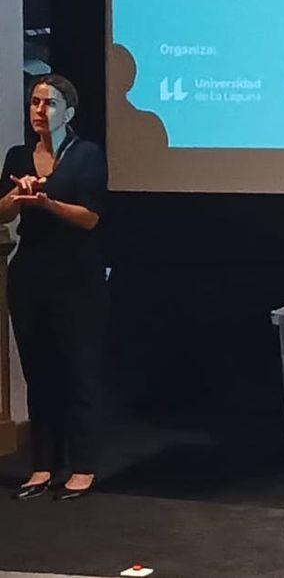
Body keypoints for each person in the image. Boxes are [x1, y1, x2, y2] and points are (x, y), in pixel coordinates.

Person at [0, 75, 108, 501]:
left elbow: (91, 218)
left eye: (49, 103)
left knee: (78, 370)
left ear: (69, 112)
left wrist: (48, 203)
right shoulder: (18, 155)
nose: (40, 111)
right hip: (30, 274)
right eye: (34, 102)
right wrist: (17, 196)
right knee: (38, 372)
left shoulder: (86, 155)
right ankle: (42, 466)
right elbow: (2, 214)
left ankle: (82, 467)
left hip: (77, 275)